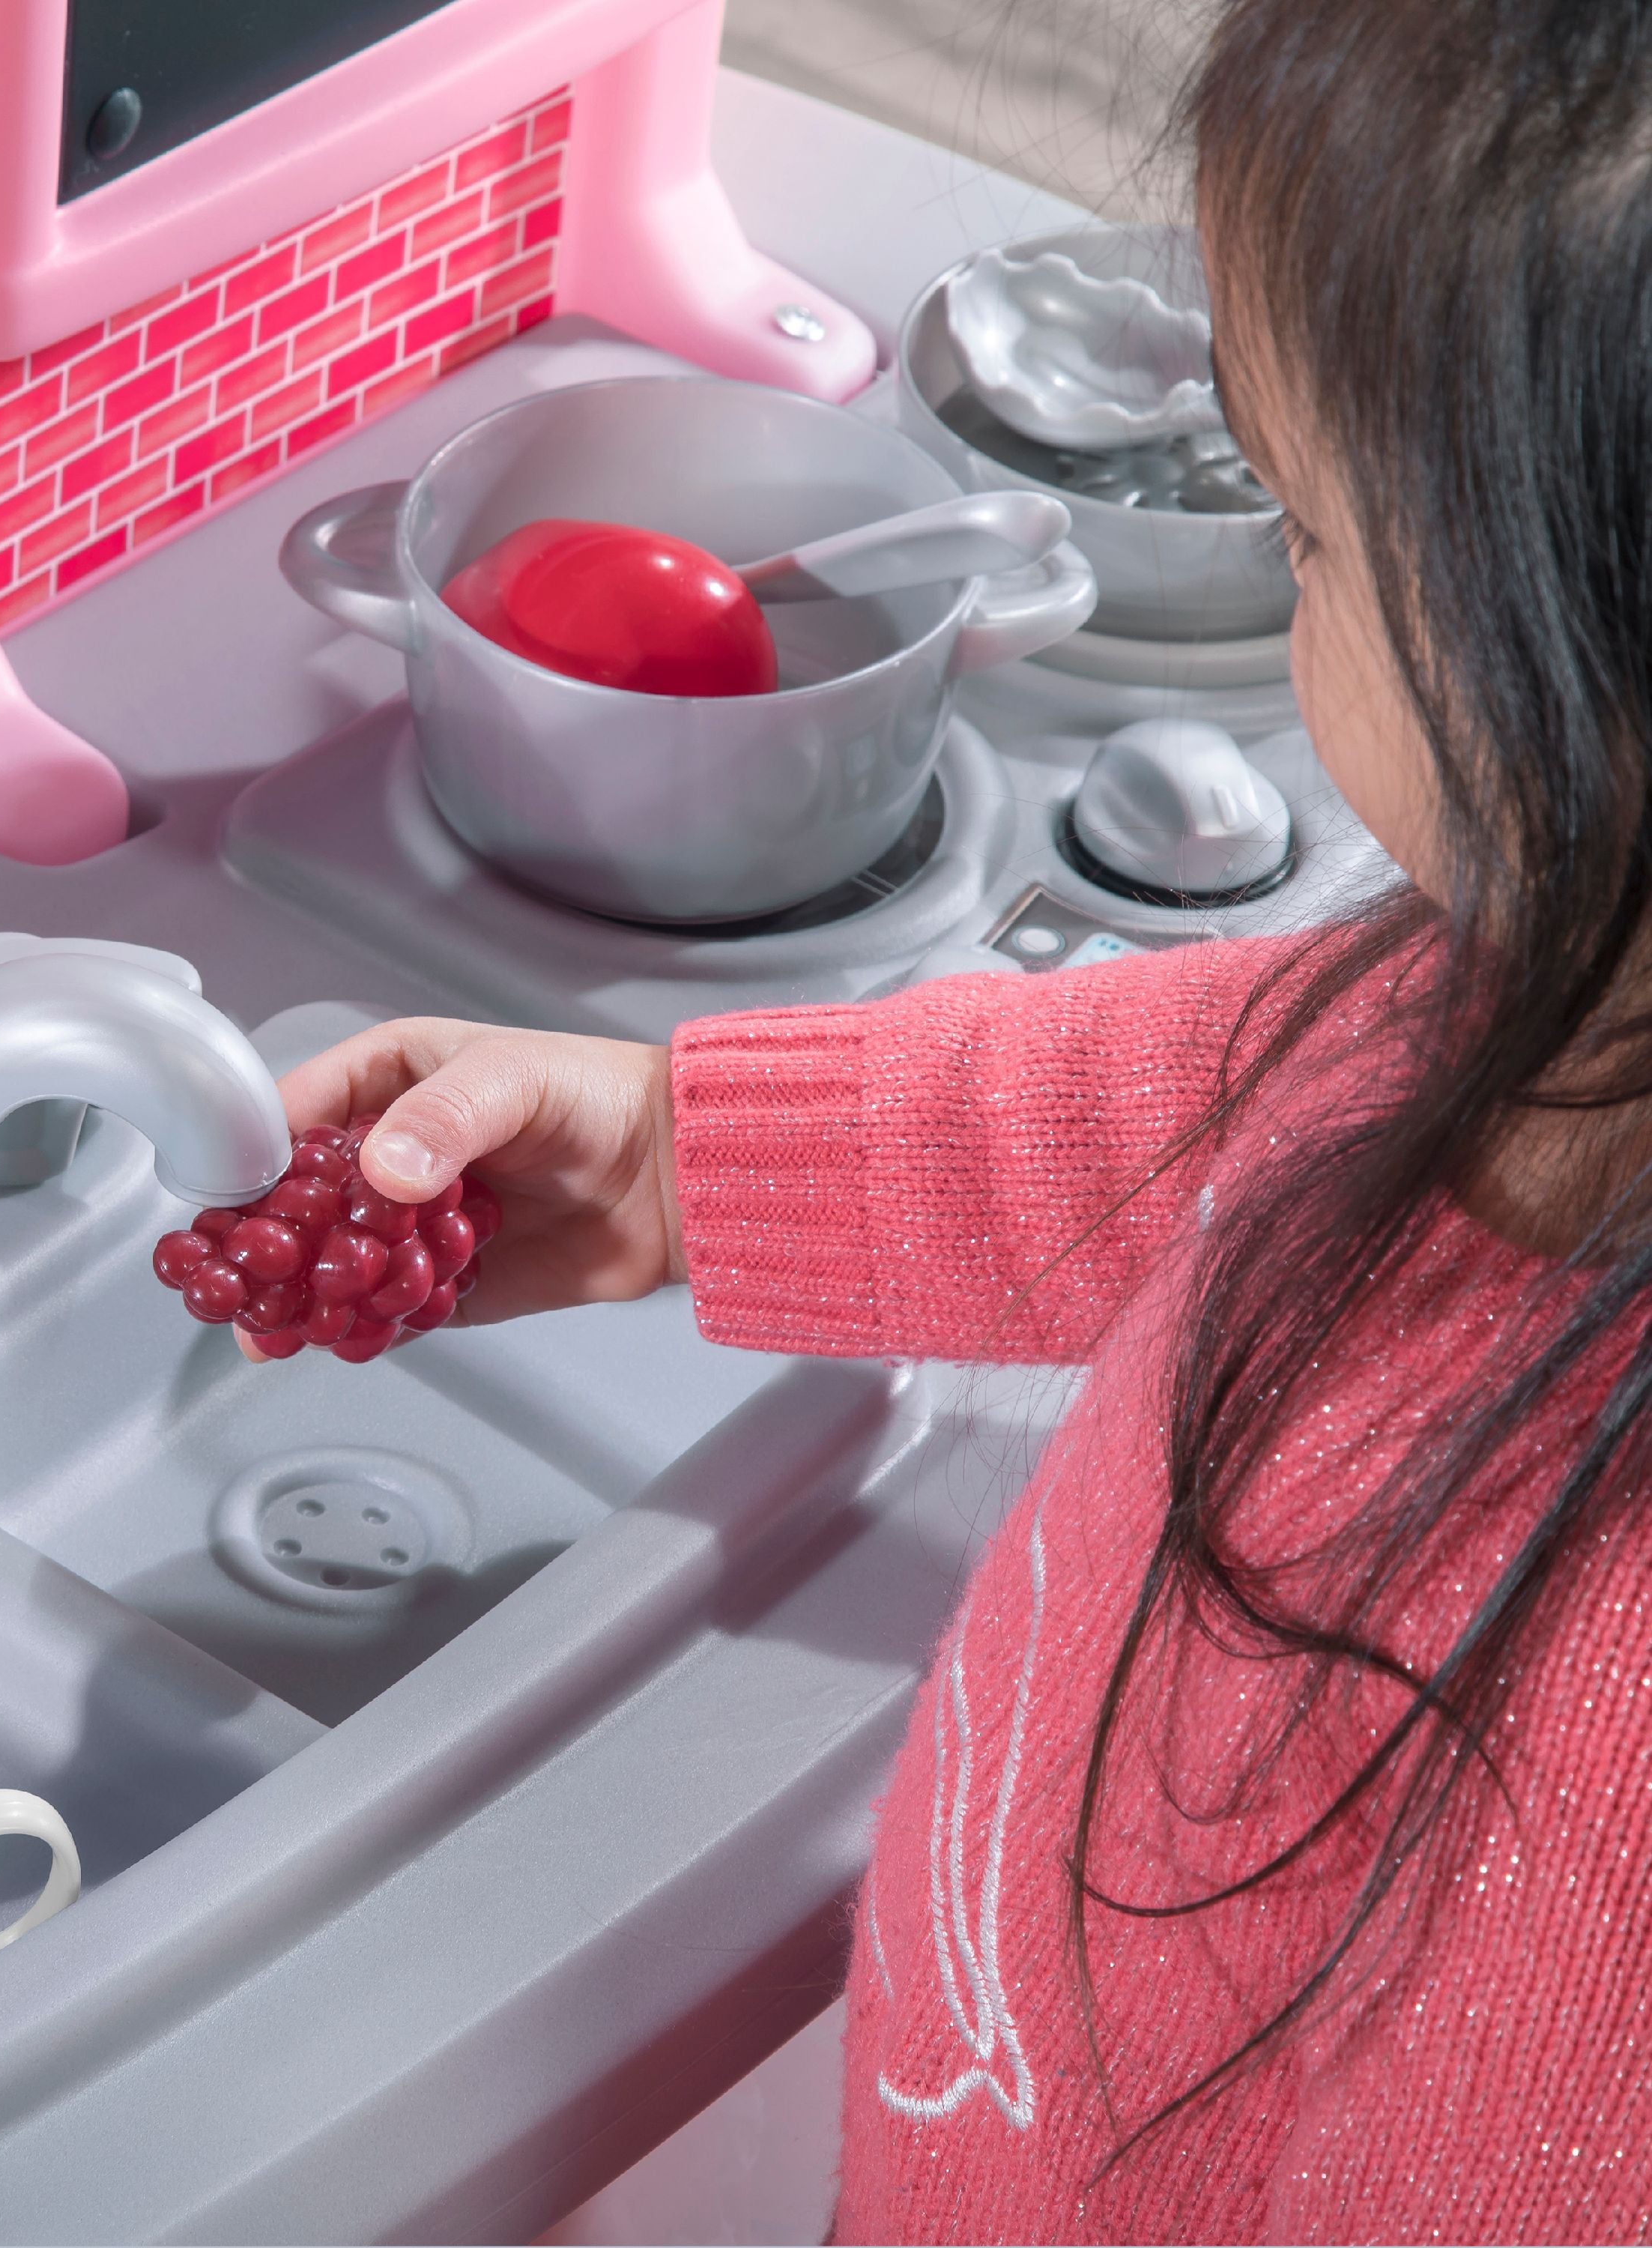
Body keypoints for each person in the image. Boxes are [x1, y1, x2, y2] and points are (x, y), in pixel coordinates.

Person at [252, 0, 1652, 2235]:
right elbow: (1215, 1102)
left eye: (1303, 537)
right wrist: (676, 1154)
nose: (1292, 590)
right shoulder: (1553, 996)